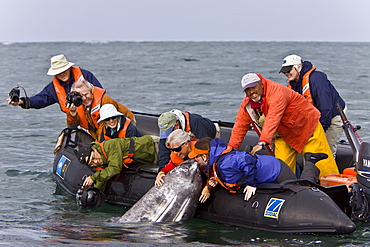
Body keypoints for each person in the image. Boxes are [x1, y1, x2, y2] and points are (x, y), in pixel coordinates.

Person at [228, 73, 339, 179]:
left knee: (323, 165)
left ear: (261, 84)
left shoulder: (276, 92)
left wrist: (262, 142)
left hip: (306, 127)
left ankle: (335, 188)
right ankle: (291, 191)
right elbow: (240, 126)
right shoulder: (248, 104)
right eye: (247, 90)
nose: (252, 92)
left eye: (253, 87)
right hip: (283, 135)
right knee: (282, 168)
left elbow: (273, 117)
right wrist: (231, 148)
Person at [189, 137, 328, 201]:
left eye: (197, 157)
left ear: (206, 155)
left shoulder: (226, 161)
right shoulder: (217, 161)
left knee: (301, 190)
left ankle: (311, 161)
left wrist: (251, 184)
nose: (196, 160)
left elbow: (247, 160)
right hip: (265, 175)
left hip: (276, 170)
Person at [279, 54, 346, 156]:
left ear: (298, 67)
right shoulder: (294, 84)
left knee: (326, 149)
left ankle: (329, 169)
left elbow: (326, 106)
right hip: (315, 118)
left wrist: (321, 129)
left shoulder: (317, 78)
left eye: (289, 70)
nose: (286, 73)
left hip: (333, 116)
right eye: (284, 72)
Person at [7, 54, 103, 112]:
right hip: (77, 120)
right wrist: (21, 101)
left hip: (97, 114)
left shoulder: (85, 76)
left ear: (69, 68)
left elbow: (101, 95)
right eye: (58, 71)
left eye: (64, 70)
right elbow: (40, 99)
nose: (62, 73)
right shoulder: (53, 88)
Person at [76, 135, 156, 192]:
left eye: (94, 157)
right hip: (148, 159)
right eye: (92, 163)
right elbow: (103, 177)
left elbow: (115, 168)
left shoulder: (110, 146)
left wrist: (94, 177)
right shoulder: (102, 163)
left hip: (153, 147)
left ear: (94, 149)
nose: (96, 161)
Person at [155, 129, 212, 203]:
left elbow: (213, 172)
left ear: (186, 144)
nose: (175, 152)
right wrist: (161, 173)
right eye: (172, 150)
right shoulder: (177, 155)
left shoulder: (202, 151)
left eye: (177, 149)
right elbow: (170, 166)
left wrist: (208, 187)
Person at [67, 79, 135, 140]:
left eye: (86, 94)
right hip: (96, 131)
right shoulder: (78, 104)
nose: (84, 98)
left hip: (122, 125)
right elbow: (72, 126)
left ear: (91, 91)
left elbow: (104, 127)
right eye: (81, 96)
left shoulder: (104, 100)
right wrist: (72, 113)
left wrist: (98, 146)